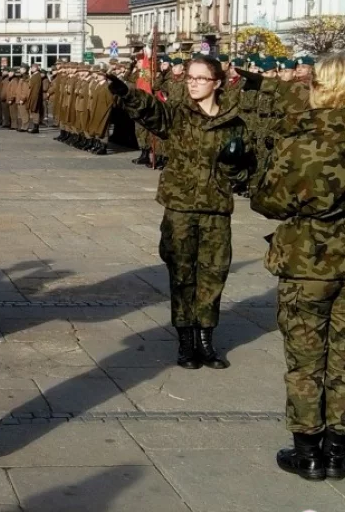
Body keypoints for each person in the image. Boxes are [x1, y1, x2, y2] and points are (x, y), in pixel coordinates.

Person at [251, 52, 345, 481]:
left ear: (318, 86)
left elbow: (270, 201)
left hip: (308, 260)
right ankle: (336, 452)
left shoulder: (299, 139)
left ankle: (308, 452)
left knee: (306, 360)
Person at [107, 57, 251, 370]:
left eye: (201, 78)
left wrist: (236, 167)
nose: (193, 83)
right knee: (182, 274)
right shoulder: (178, 114)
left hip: (215, 208)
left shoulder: (235, 122)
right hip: (181, 207)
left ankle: (206, 340)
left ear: (217, 83)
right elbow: (151, 110)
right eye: (190, 77)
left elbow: (246, 170)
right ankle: (186, 341)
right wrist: (127, 92)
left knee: (214, 274)